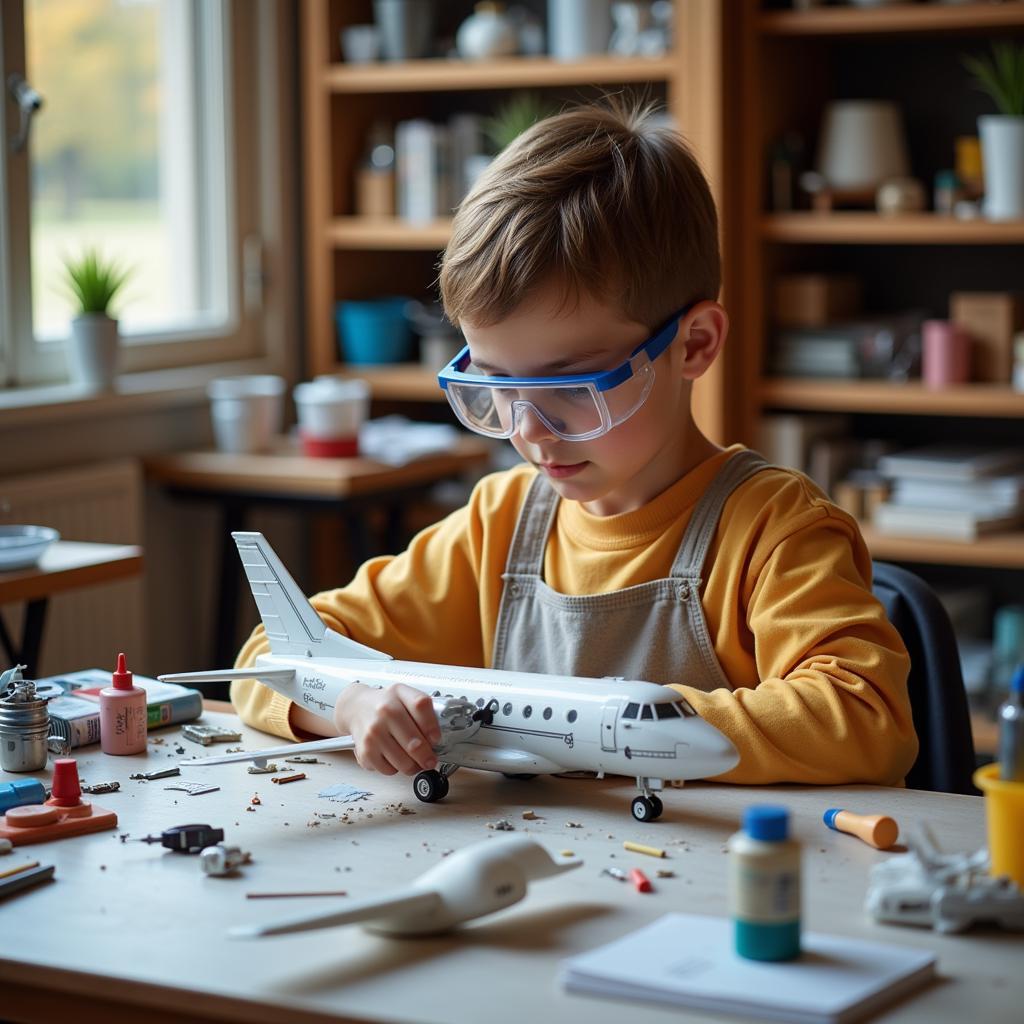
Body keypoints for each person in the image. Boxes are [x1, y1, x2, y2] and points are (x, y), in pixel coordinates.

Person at [232, 101, 917, 786]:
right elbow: (271, 655)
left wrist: (609, 730)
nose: (527, 429)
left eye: (571, 385)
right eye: (495, 383)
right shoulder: (496, 527)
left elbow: (865, 715)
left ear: (695, 345)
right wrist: (352, 706)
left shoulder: (775, 530)